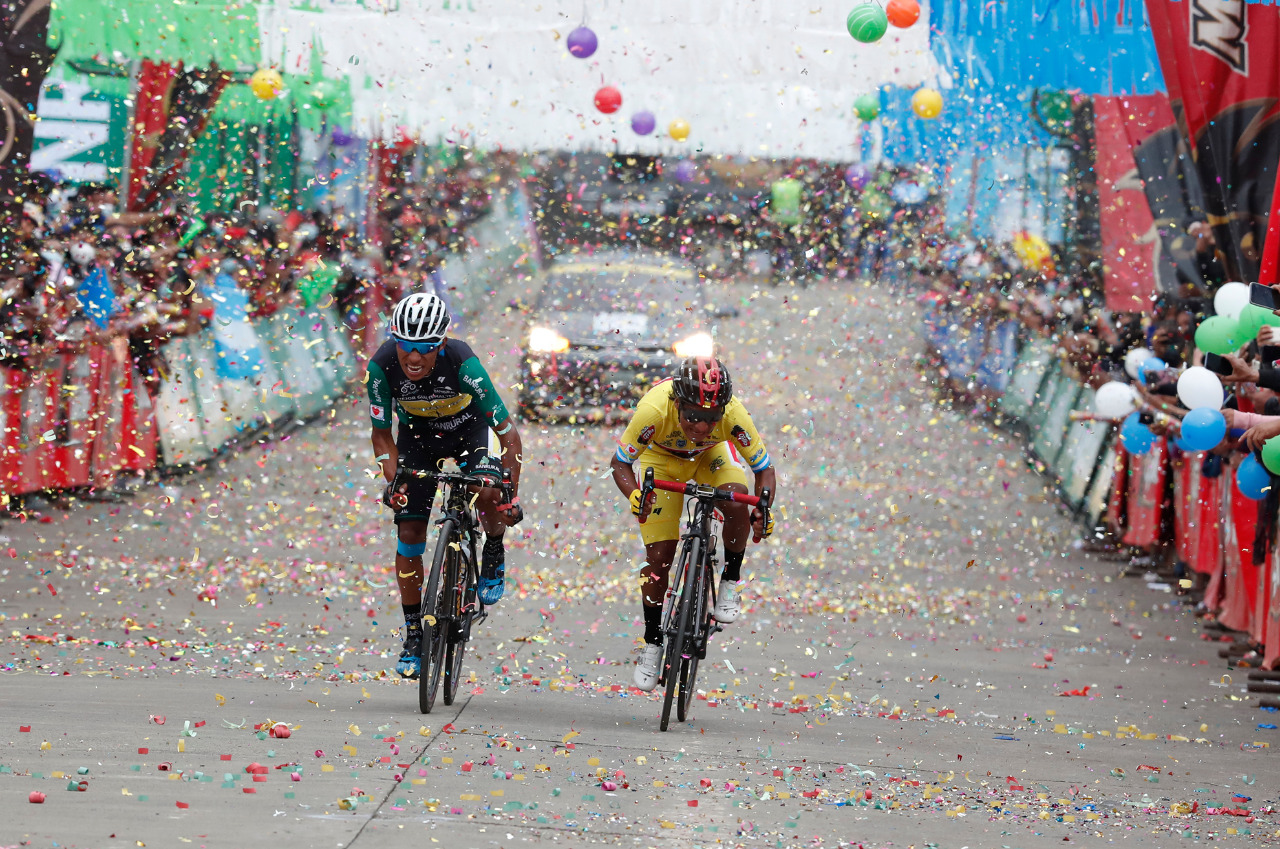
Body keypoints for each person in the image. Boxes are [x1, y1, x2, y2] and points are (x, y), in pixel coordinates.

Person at [368, 292, 524, 678]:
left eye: (424, 347)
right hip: (417, 440)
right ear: (394, 341)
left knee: (486, 490)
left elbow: (510, 438)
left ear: (441, 343)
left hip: (467, 431)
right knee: (409, 528)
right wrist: (395, 483)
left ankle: (493, 547)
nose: (414, 357)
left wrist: (508, 493)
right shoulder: (381, 367)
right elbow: (382, 437)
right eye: (405, 345)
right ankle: (413, 634)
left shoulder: (463, 363)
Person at [609, 357, 777, 691]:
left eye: (711, 418)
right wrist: (635, 496)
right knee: (659, 559)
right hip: (663, 461)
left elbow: (764, 470)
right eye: (693, 416)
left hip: (711, 457)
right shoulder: (654, 411)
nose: (701, 426)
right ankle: (653, 643)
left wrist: (764, 507)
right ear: (677, 404)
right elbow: (620, 463)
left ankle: (730, 578)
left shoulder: (734, 415)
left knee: (735, 499)